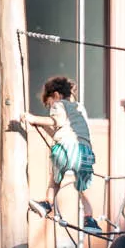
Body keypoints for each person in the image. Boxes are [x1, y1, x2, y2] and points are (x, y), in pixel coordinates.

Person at [40, 75, 101, 231]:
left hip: (65, 151)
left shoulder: (58, 105)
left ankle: (47, 204)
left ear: (55, 95)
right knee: (83, 189)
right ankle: (89, 220)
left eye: (48, 104)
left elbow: (56, 122)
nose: (50, 107)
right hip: (85, 154)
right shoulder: (80, 108)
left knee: (54, 182)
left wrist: (33, 119)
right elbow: (65, 131)